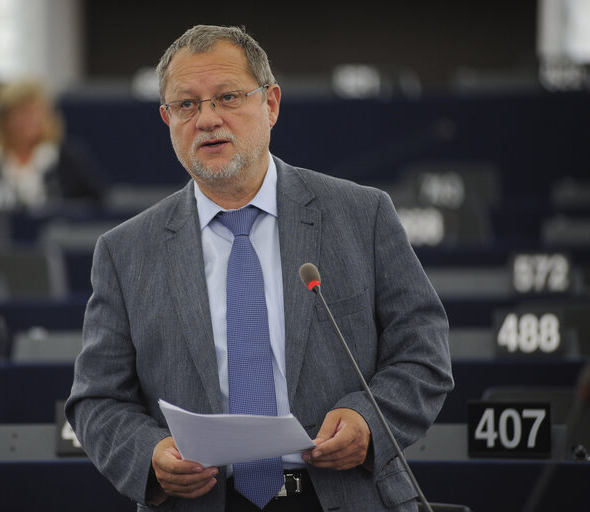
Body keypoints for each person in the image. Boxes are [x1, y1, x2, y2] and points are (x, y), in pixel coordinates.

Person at [66, 25, 453, 512]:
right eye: (187, 105)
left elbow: (424, 353)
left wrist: (369, 422)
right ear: (167, 119)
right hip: (205, 501)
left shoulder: (362, 215)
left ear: (270, 104)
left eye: (227, 97)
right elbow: (96, 401)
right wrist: (150, 454)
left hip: (341, 495)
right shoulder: (126, 252)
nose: (207, 119)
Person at [0, 79, 104, 210]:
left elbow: (97, 203)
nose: (31, 120)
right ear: (4, 119)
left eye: (37, 112)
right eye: (23, 113)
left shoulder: (68, 158)